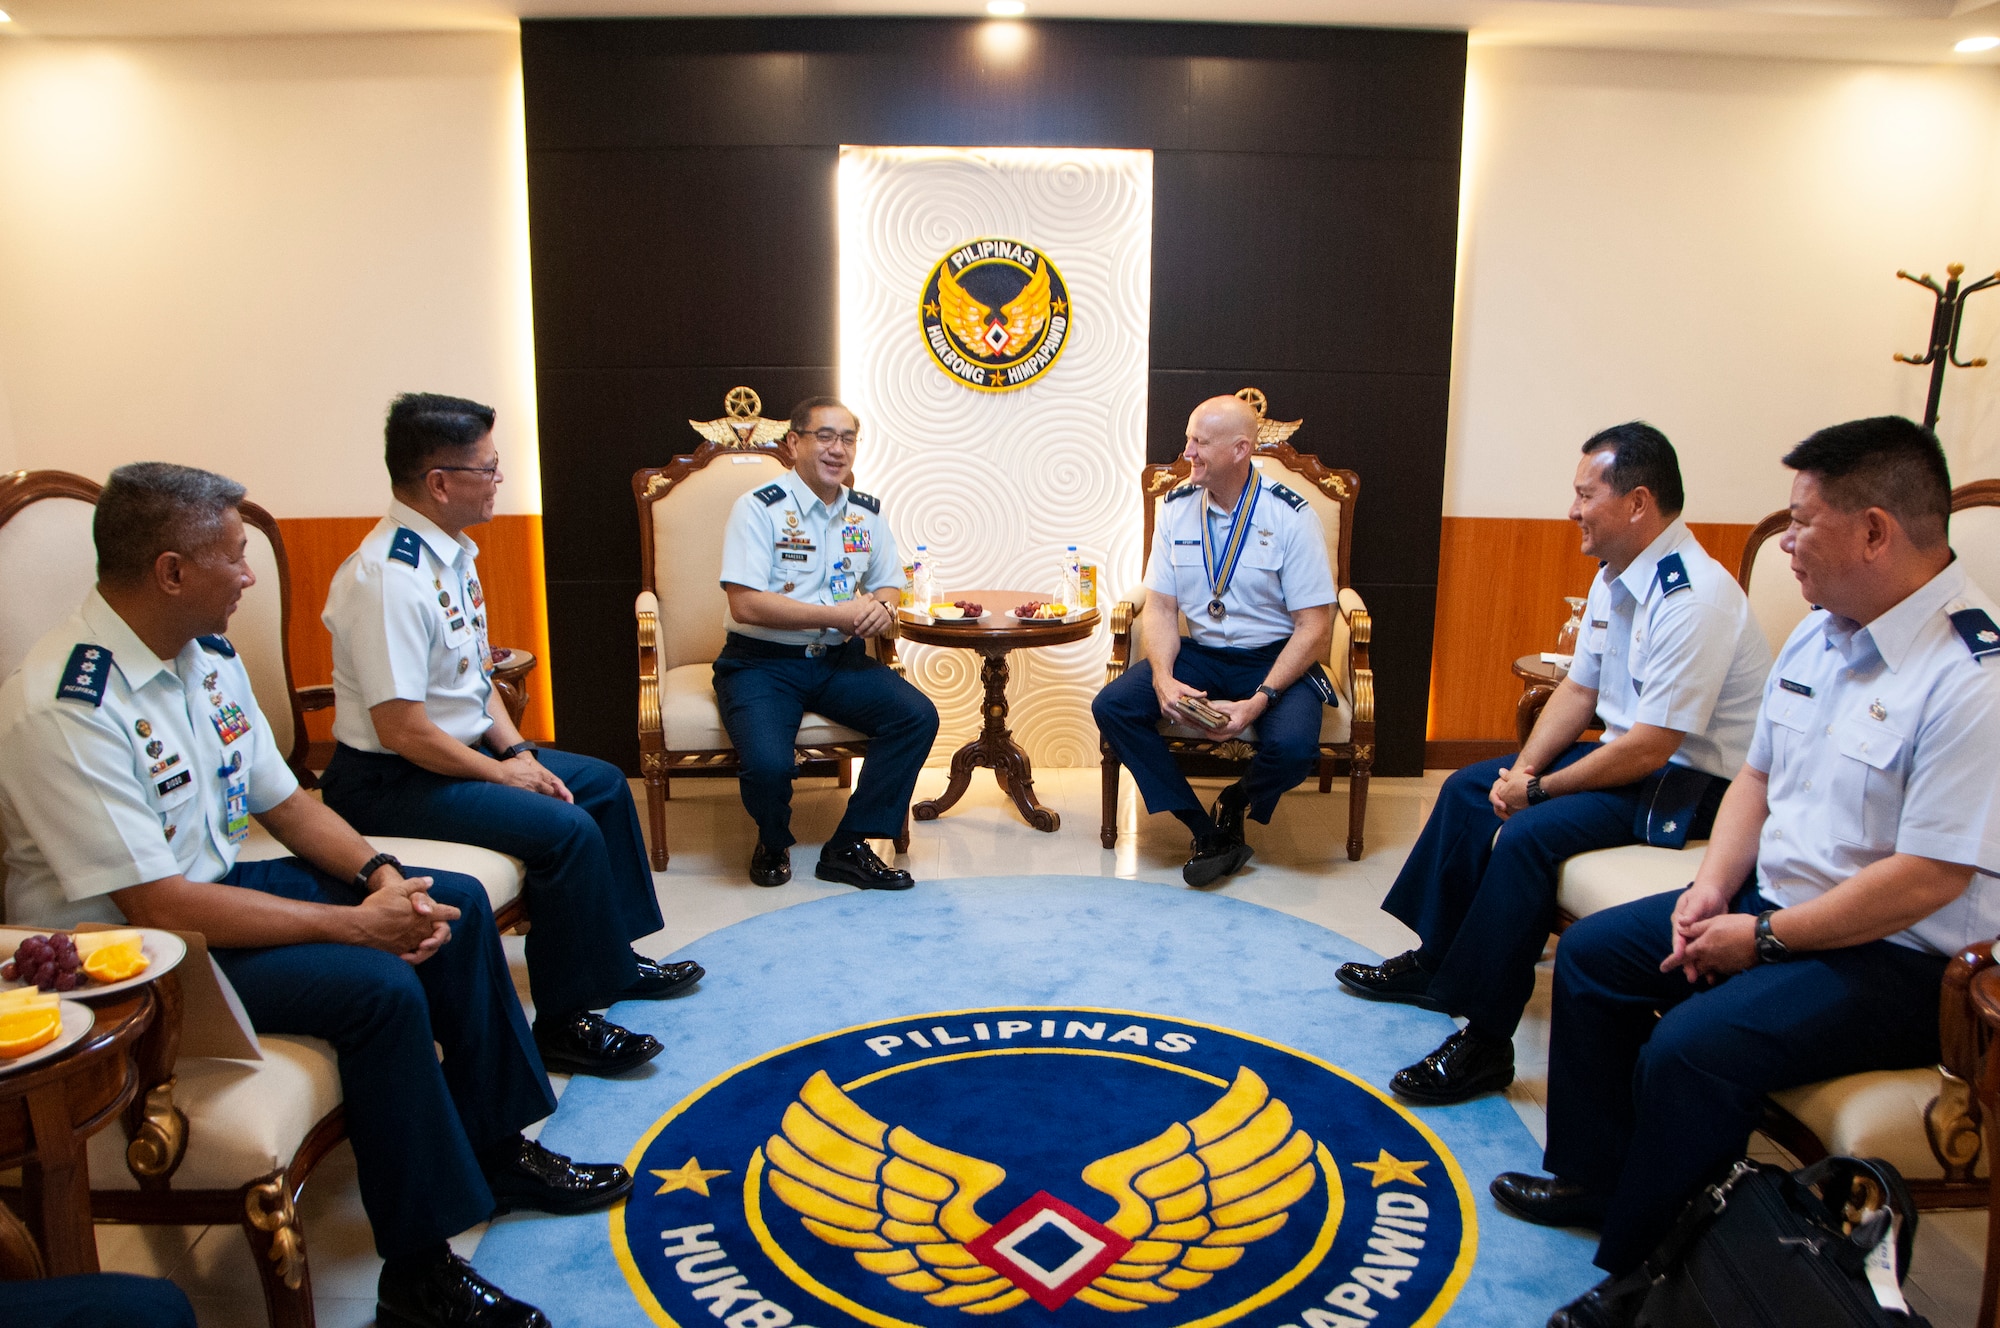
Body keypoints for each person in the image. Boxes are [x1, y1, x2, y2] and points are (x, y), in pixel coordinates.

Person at [0, 462, 619, 1328]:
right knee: (378, 989)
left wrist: (381, 879)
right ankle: (419, 1270)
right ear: (171, 572)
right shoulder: (65, 707)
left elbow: (286, 802)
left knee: (453, 906)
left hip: (208, 892)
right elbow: (161, 910)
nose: (251, 576)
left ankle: (498, 1150)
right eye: (234, 557)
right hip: (132, 960)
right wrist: (355, 928)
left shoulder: (201, 658)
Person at [1491, 417, 2000, 1328]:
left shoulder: (1971, 679)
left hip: (1901, 962)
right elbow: (1757, 778)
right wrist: (1711, 888)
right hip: (1776, 902)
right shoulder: (1823, 635)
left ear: (1875, 531)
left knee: (1693, 1048)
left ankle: (1650, 1275)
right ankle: (1597, 1180)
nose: (1787, 543)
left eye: (1803, 523)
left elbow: (1928, 878)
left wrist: (1760, 938)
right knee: (1602, 956)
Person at [1337, 423, 1771, 1104]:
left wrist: (1538, 794)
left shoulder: (1696, 599)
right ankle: (1436, 962)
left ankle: (1484, 1043)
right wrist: (1520, 775)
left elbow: (1654, 746)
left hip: (1691, 785)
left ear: (1637, 503)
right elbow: (1579, 689)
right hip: (1636, 761)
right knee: (1467, 788)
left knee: (1530, 838)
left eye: (1584, 495)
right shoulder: (1615, 576)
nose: (1571, 510)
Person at [319, 393, 700, 1078]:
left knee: (605, 784)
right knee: (566, 828)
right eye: (489, 469)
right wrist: (502, 774)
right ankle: (566, 1020)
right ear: (440, 482)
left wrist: (517, 750)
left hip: (456, 756)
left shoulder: (451, 553)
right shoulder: (386, 580)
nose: (500, 481)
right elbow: (402, 730)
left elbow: (475, 678)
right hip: (393, 779)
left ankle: (611, 959)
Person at [1091, 394, 1337, 887]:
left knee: (1291, 748)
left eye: (1199, 443)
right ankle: (1202, 829)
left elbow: (1316, 625)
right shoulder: (1176, 508)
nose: (1187, 454)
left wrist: (1259, 700)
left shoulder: (1291, 515)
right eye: (1189, 439)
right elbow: (1161, 607)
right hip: (1202, 653)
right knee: (1114, 705)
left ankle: (1237, 800)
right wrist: (1162, 678)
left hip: (1275, 658)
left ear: (1240, 449)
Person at [714, 396, 938, 889]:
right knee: (769, 767)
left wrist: (880, 608)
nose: (838, 449)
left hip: (839, 661)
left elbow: (888, 582)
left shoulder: (865, 514)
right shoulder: (758, 509)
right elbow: (745, 605)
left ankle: (849, 846)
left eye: (849, 438)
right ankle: (773, 840)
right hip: (761, 664)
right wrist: (835, 615)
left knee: (916, 716)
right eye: (825, 436)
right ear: (794, 442)